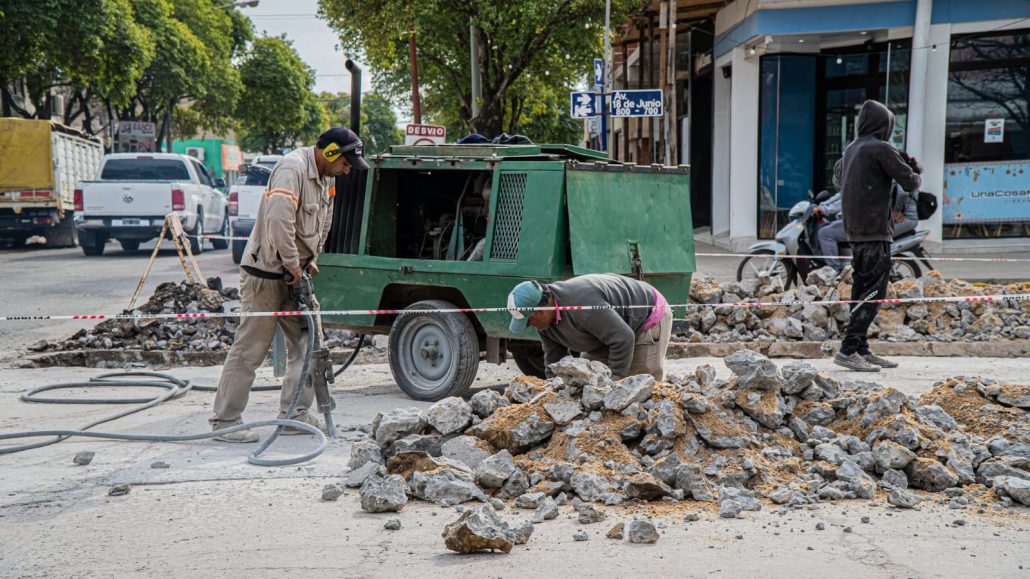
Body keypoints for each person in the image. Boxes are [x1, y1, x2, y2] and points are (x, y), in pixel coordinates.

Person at [209, 127, 369, 442]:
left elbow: (324, 220)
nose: (347, 169)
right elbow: (278, 221)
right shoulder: (291, 169)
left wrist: (311, 258)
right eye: (345, 162)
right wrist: (293, 262)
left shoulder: (328, 178)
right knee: (250, 349)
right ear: (330, 152)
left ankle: (294, 415)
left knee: (310, 345)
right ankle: (225, 421)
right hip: (266, 275)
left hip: (297, 274)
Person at [834, 100, 922, 373]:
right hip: (875, 230)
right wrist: (913, 169)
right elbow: (910, 182)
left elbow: (837, 179)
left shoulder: (851, 149)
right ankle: (849, 349)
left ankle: (861, 348)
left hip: (855, 229)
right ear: (884, 126)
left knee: (861, 289)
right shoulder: (882, 149)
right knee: (874, 292)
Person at [506, 274, 673, 381]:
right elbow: (554, 359)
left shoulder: (581, 304)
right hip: (608, 332)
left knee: (639, 385)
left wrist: (614, 380)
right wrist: (552, 389)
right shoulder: (545, 324)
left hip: (647, 315)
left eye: (528, 321)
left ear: (541, 311)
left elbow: (623, 339)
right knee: (589, 380)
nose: (529, 326)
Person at [815, 160, 847, 272]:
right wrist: (821, 205)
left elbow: (843, 202)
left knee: (824, 233)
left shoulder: (854, 183)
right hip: (852, 221)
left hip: (854, 223)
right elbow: (837, 197)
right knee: (827, 226)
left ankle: (834, 269)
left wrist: (825, 209)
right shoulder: (852, 182)